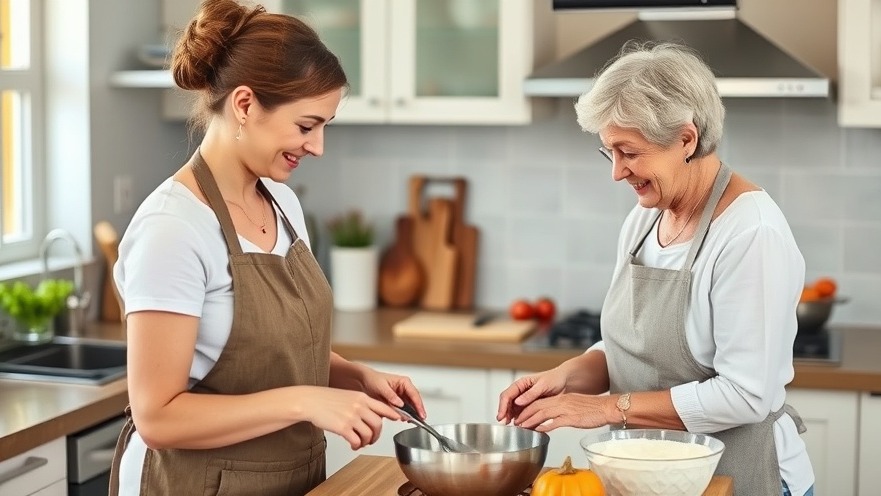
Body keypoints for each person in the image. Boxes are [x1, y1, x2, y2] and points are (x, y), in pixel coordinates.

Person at [108, 1, 426, 495]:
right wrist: (305, 401)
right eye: (306, 126)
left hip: (287, 477)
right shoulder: (173, 228)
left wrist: (354, 376)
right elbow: (158, 417)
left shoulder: (281, 203)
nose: (318, 146)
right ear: (244, 105)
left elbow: (272, 351)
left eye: (324, 126)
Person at [496, 42, 814, 496]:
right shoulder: (645, 219)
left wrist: (605, 409)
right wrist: (563, 378)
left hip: (740, 477)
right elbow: (633, 350)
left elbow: (746, 395)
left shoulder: (750, 233)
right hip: (647, 478)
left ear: (686, 140)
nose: (617, 172)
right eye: (609, 152)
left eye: (629, 152)